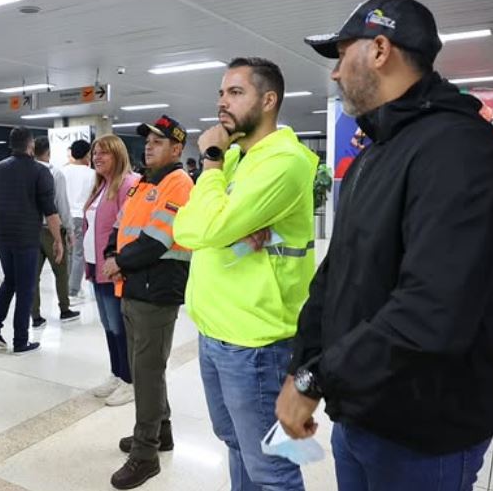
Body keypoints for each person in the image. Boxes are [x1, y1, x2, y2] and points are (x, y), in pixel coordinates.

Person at [277, 0, 493, 491]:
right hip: (361, 412)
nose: (335, 73)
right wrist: (302, 368)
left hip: (424, 433)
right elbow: (335, 275)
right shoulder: (374, 154)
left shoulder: (456, 149)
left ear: (380, 49)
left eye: (341, 55)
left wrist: (318, 379)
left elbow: (432, 311)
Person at [173, 57, 318, 491]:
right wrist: (224, 216)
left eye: (235, 93)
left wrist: (211, 163)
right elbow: (199, 231)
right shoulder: (239, 158)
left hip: (256, 342)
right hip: (215, 331)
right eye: (221, 93)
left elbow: (201, 227)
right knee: (236, 443)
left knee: (273, 470)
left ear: (268, 100)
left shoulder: (284, 161)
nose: (222, 103)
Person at [102, 116, 193, 489]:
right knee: (147, 370)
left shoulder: (179, 183)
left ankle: (145, 455)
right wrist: (113, 254)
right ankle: (162, 433)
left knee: (147, 373)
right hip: (133, 287)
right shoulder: (142, 184)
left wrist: (118, 262)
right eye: (148, 140)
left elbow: (157, 240)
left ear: (176, 149)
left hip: (157, 291)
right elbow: (120, 227)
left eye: (159, 141)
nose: (149, 146)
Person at [0, 127, 63, 354]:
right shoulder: (39, 171)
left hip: (1, 235)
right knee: (26, 287)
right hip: (26, 236)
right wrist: (58, 239)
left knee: (10, 280)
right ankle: (21, 340)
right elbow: (50, 210)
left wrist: (1, 224)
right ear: (30, 146)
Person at [85, 135, 139, 407]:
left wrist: (118, 262)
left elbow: (127, 229)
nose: (97, 157)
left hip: (114, 269)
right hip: (96, 267)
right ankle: (117, 373)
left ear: (118, 155)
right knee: (108, 326)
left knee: (120, 327)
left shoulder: (128, 184)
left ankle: (129, 381)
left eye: (104, 153)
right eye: (95, 153)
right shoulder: (101, 186)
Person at [31, 136, 80, 328]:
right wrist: (68, 229)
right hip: (52, 230)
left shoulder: (27, 172)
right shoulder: (55, 173)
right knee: (61, 271)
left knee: (33, 275)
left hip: (32, 229)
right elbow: (61, 204)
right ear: (48, 153)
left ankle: (35, 316)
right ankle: (64, 309)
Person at [62, 139, 96, 300]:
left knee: (68, 253)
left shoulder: (63, 171)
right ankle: (73, 290)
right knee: (79, 254)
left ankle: (67, 284)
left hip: (64, 216)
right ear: (87, 154)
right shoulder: (92, 174)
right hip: (81, 217)